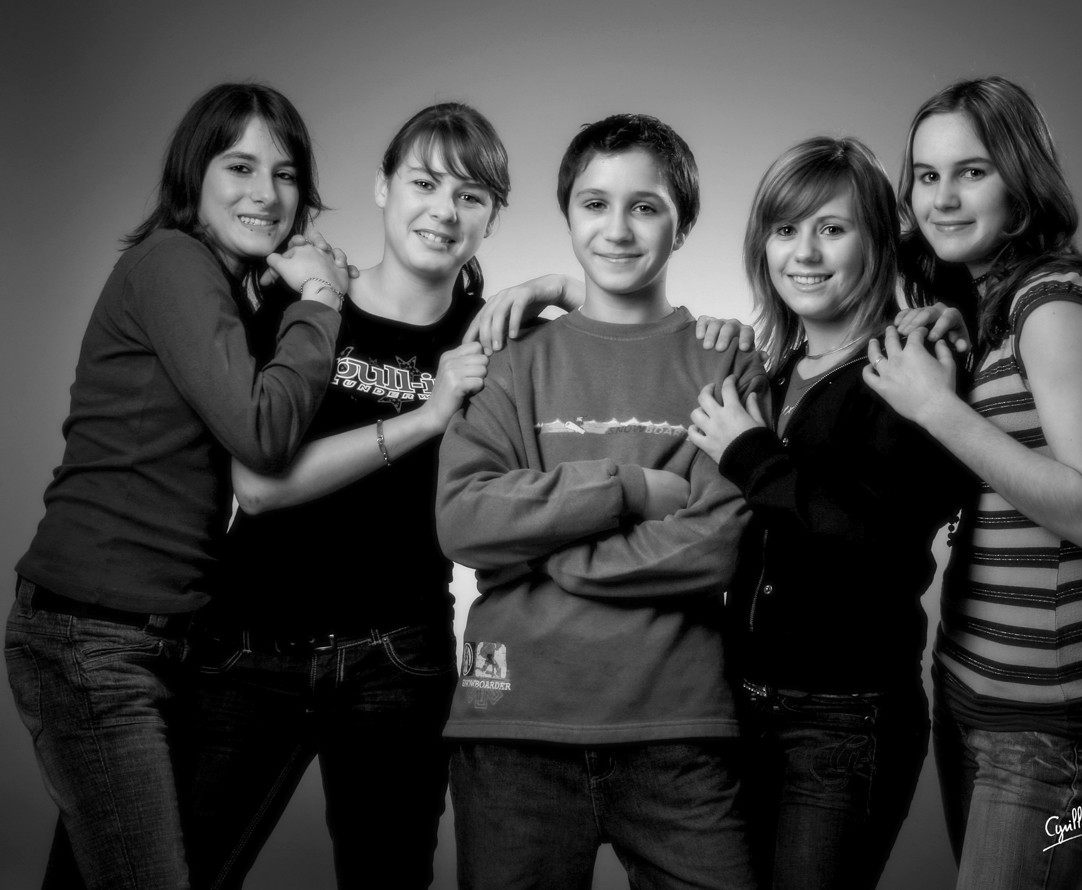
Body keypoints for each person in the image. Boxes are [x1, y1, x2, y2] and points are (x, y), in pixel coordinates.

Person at [5, 82, 346, 890]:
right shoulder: (173, 263)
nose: (266, 193)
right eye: (240, 166)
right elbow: (263, 434)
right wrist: (324, 300)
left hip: (158, 641)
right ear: (194, 174)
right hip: (92, 640)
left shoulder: (227, 289)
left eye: (287, 174)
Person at [436, 113, 766, 890]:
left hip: (679, 730)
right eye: (594, 204)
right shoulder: (509, 363)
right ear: (568, 214)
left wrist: (547, 550)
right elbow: (463, 518)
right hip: (515, 729)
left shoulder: (727, 363)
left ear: (681, 224)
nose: (617, 229)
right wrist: (625, 491)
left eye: (645, 207)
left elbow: (716, 541)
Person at [184, 103, 509, 890]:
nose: (443, 210)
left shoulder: (495, 344)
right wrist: (427, 415)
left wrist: (562, 281)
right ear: (382, 187)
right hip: (251, 642)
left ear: (492, 217)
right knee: (175, 870)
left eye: (471, 196)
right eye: (425, 182)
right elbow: (257, 487)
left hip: (398, 656)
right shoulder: (307, 298)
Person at [864, 76, 1082, 890]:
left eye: (972, 172)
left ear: (1022, 178)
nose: (942, 198)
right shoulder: (999, 305)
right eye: (926, 176)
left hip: (1050, 718)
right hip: (975, 694)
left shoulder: (1060, 302)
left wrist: (935, 408)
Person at [687, 137, 971, 889]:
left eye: (832, 229)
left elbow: (879, 546)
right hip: (739, 706)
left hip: (843, 717)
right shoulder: (772, 373)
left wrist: (750, 454)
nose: (803, 253)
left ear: (879, 240)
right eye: (785, 230)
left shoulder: (908, 368)